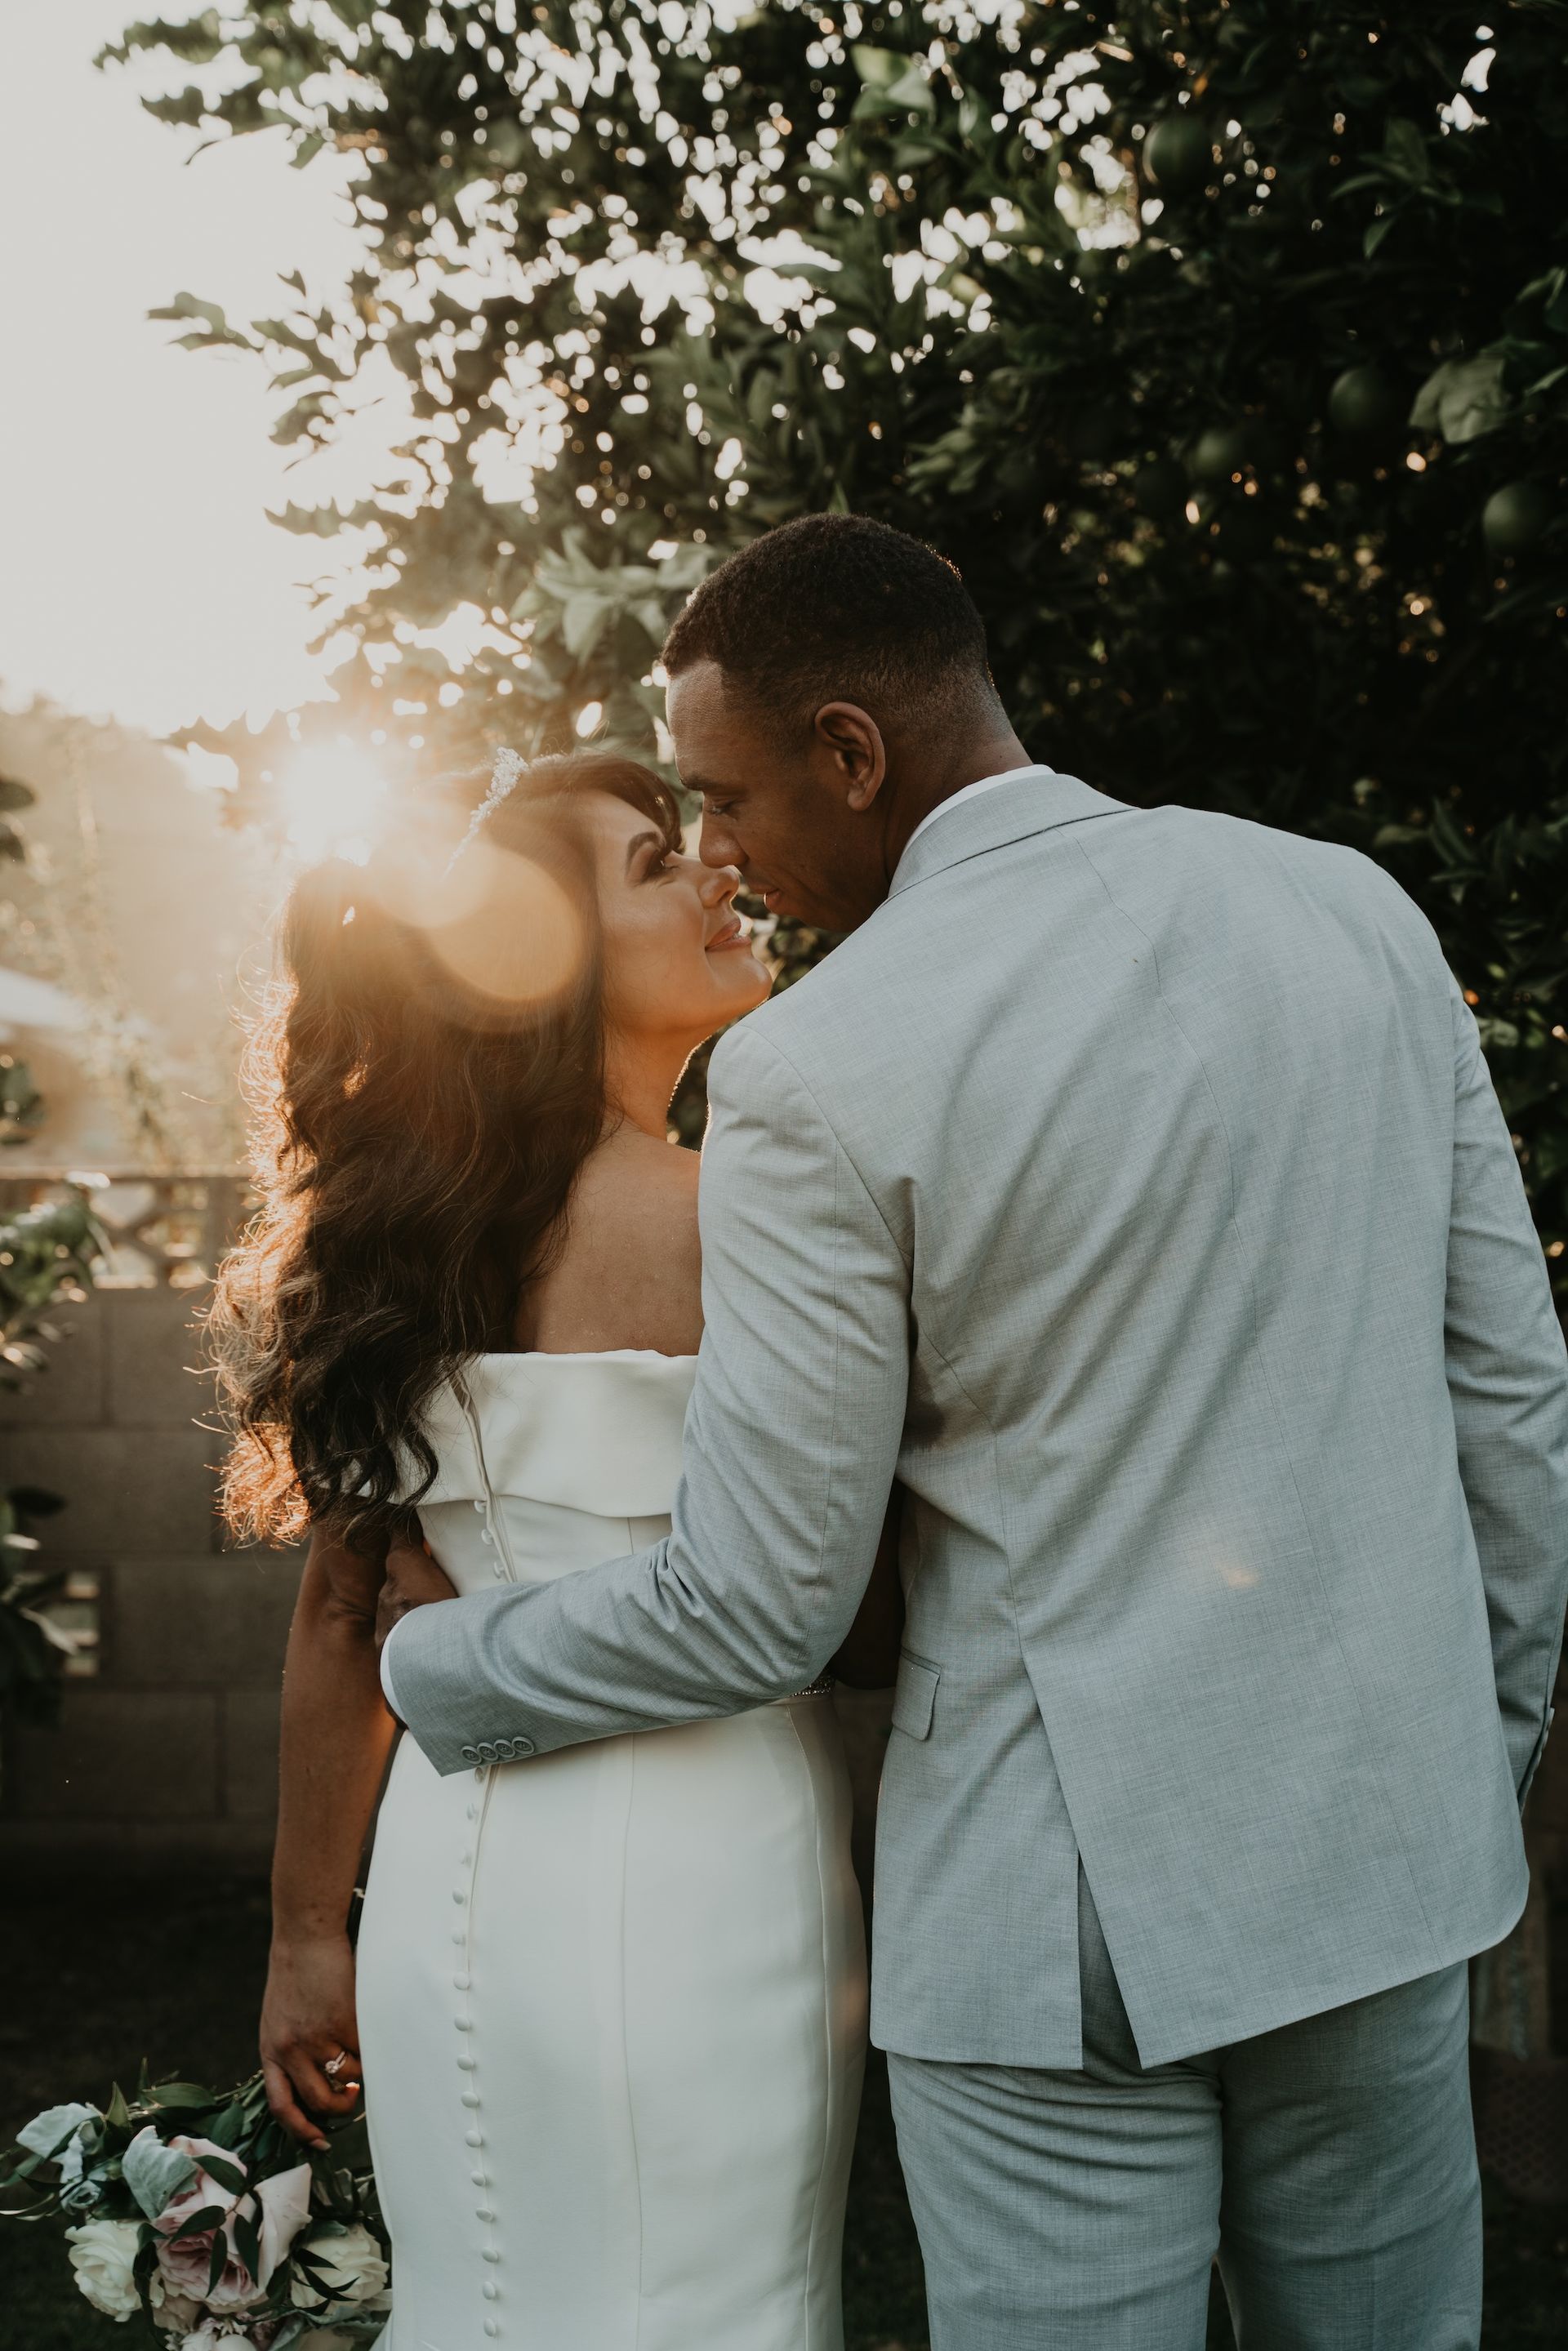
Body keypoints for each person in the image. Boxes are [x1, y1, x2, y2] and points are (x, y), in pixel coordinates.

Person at [378, 513, 1568, 2351]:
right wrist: (1461, 1762)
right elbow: (1511, 1394)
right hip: (1384, 1856)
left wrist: (437, 1658)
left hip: (1045, 1919)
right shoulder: (1356, 912)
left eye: (728, 797)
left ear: (854, 755)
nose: (723, 855)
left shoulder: (813, 1068)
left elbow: (762, 1604)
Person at [214, 750, 893, 2351]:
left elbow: (340, 1614)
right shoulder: (739, 1223)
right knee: (708, 2299)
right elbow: (869, 1577)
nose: (720, 870)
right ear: (555, 957)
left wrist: (310, 1934)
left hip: (452, 1885)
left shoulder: (415, 1244)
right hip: (712, 1868)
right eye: (661, 861)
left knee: (494, 2295)